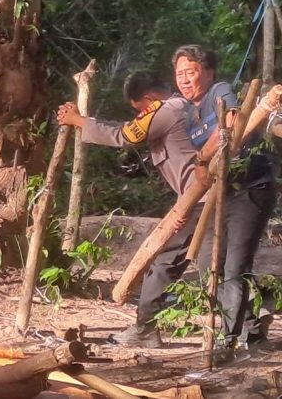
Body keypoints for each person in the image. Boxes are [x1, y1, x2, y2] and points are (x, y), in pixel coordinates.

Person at [58, 71, 206, 348]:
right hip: (198, 197)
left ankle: (145, 328)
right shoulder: (179, 107)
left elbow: (123, 135)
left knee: (165, 263)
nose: (141, 114)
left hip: (200, 199)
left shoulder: (167, 110)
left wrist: (78, 121)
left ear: (149, 98)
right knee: (213, 263)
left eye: (140, 108)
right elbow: (130, 126)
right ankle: (246, 329)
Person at [172, 44, 277, 351]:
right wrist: (201, 166)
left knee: (234, 266)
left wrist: (203, 158)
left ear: (208, 71)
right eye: (179, 74)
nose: (184, 80)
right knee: (208, 264)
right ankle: (252, 325)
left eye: (190, 72)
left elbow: (230, 122)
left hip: (251, 188)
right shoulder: (190, 111)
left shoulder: (220, 91)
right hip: (222, 193)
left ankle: (229, 339)